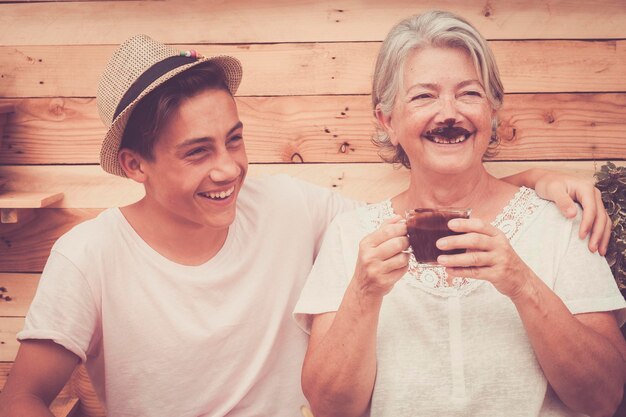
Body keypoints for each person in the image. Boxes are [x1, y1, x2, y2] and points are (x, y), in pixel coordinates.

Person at [0, 34, 614, 417]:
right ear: (134, 165)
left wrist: (534, 181)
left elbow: (438, 197)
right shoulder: (89, 253)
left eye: (235, 140)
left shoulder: (294, 209)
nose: (228, 169)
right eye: (196, 152)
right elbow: (24, 394)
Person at [294, 10, 626, 417]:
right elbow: (329, 408)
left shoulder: (561, 221)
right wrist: (363, 294)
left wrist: (522, 284)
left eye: (469, 93)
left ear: (493, 112)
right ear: (387, 121)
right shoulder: (351, 237)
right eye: (423, 96)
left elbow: (604, 398)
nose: (449, 112)